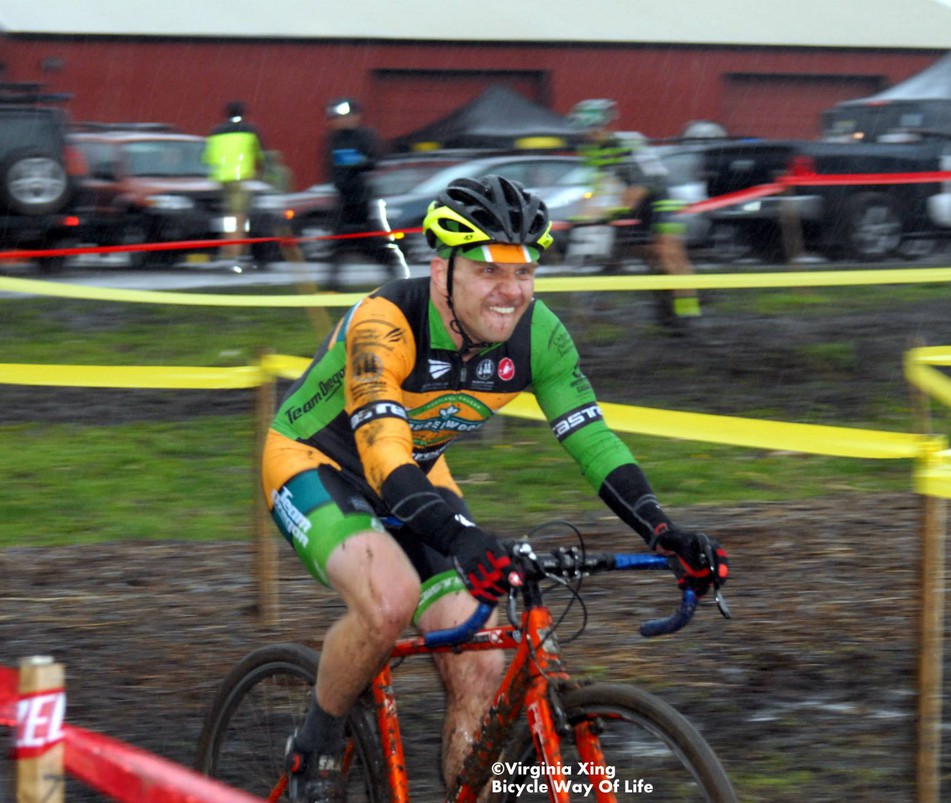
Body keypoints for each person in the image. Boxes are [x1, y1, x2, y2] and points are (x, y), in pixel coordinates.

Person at [260, 174, 729, 802]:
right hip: (318, 464)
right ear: (441, 270)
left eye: (526, 270)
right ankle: (313, 747)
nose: (512, 291)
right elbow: (383, 459)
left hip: (419, 470)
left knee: (482, 657)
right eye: (488, 270)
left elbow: (593, 441)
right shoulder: (385, 324)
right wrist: (464, 538)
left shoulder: (540, 336)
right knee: (390, 600)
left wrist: (662, 528)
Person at [568, 98, 702, 331]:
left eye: (592, 130)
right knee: (649, 256)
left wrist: (614, 210)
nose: (588, 135)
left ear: (604, 126)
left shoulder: (628, 143)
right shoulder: (591, 150)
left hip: (659, 198)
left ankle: (689, 308)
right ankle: (666, 307)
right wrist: (584, 214)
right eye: (585, 131)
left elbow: (640, 184)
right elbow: (598, 186)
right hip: (634, 202)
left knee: (669, 252)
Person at [322, 96, 408, 291]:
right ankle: (332, 285)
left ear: (356, 117)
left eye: (345, 116)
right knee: (337, 244)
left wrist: (358, 162)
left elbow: (376, 159)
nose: (340, 121)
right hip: (342, 201)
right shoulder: (332, 139)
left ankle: (395, 278)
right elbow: (330, 167)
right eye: (336, 117)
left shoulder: (364, 135)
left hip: (362, 201)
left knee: (376, 243)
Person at [204, 100, 265, 263]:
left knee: (228, 216)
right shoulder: (251, 130)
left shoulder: (215, 131)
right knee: (239, 216)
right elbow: (260, 155)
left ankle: (226, 250)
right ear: (244, 113)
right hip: (240, 178)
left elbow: (207, 158)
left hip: (221, 179)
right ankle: (237, 253)